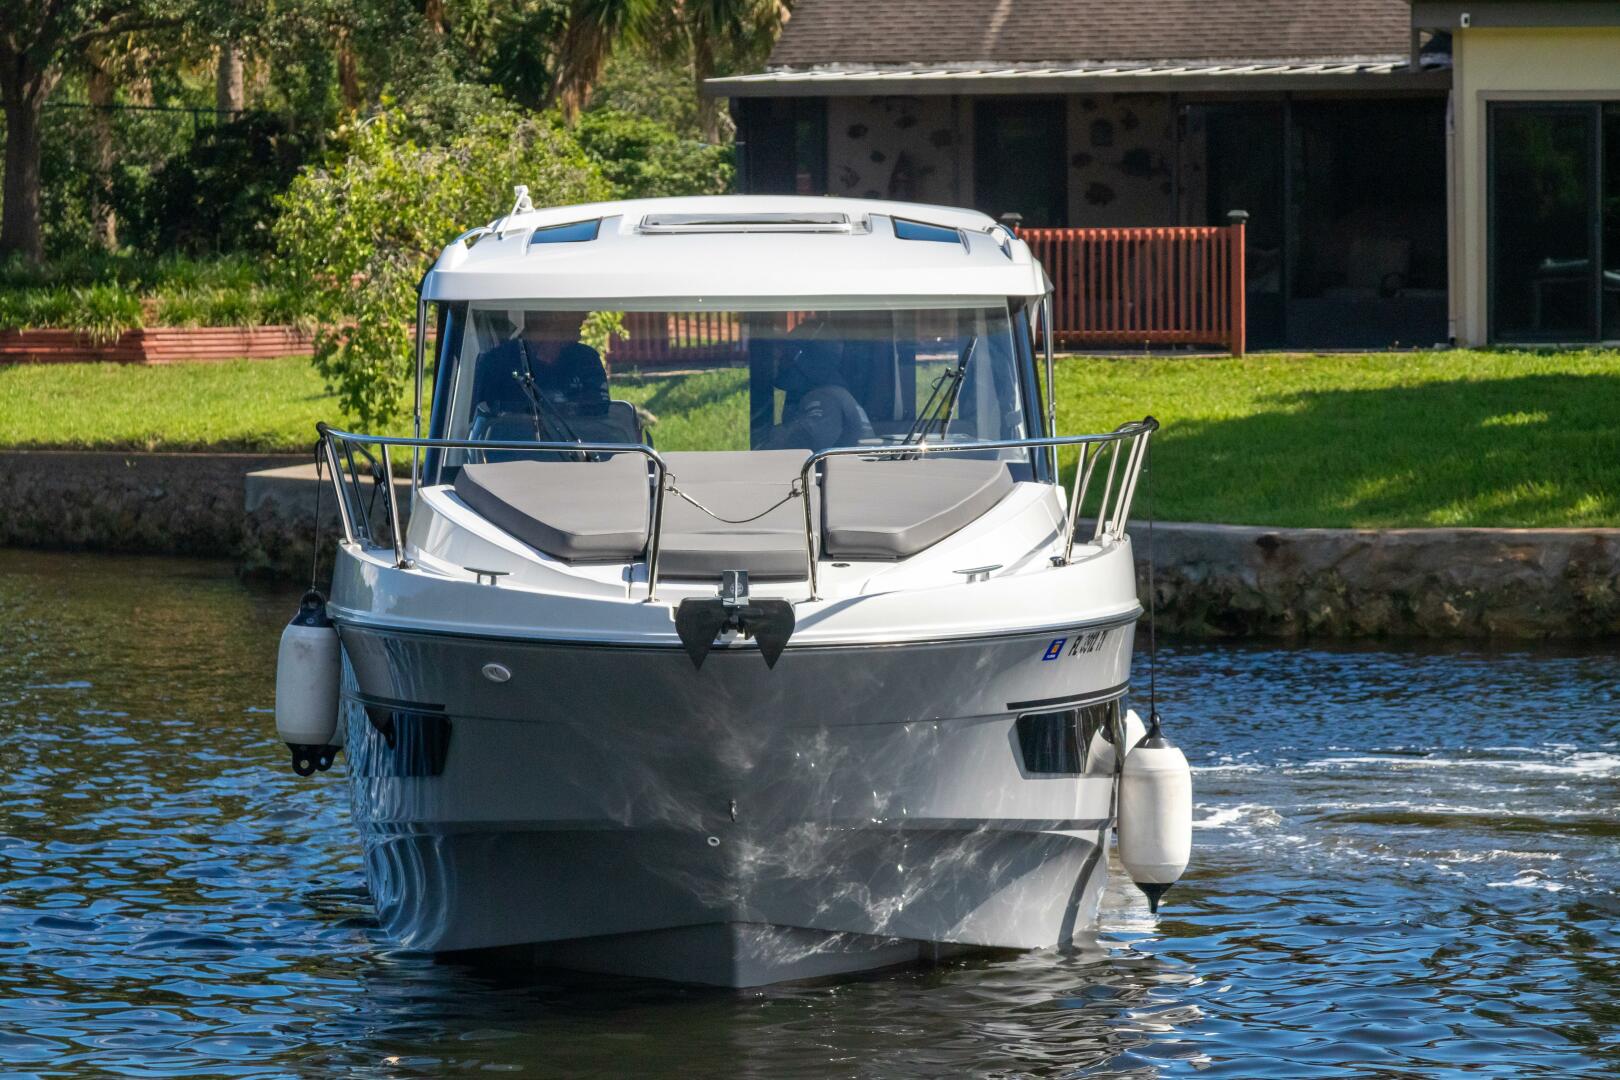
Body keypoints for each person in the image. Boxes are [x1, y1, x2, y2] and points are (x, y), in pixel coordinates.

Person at [474, 309, 610, 422]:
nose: (584, 316)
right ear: (551, 318)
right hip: (514, 445)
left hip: (577, 445)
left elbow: (600, 411)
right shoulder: (497, 362)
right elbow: (480, 419)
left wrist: (568, 407)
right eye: (573, 309)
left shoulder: (586, 359)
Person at [759, 332, 875, 451]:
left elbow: (802, 442)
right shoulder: (833, 394)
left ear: (804, 365)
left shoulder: (825, 398)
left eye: (787, 357)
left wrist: (770, 439)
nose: (780, 364)